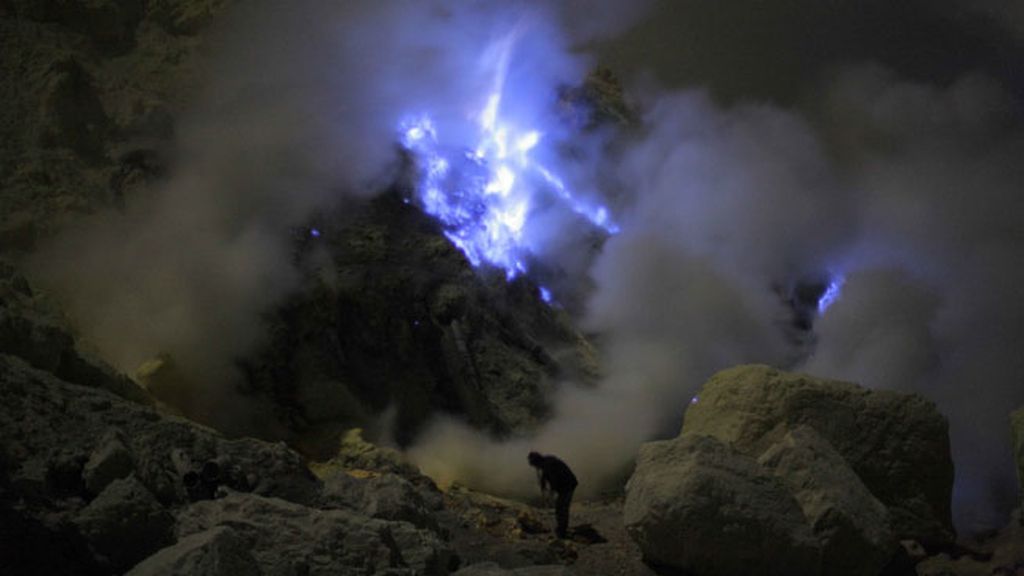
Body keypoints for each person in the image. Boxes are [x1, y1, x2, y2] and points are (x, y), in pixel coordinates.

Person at [528, 451, 578, 538]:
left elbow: (553, 480)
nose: (535, 468)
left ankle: (562, 531)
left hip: (568, 485)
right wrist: (543, 483)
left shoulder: (547, 465)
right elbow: (545, 474)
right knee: (560, 507)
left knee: (561, 508)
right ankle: (561, 529)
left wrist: (550, 494)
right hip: (568, 484)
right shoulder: (547, 461)